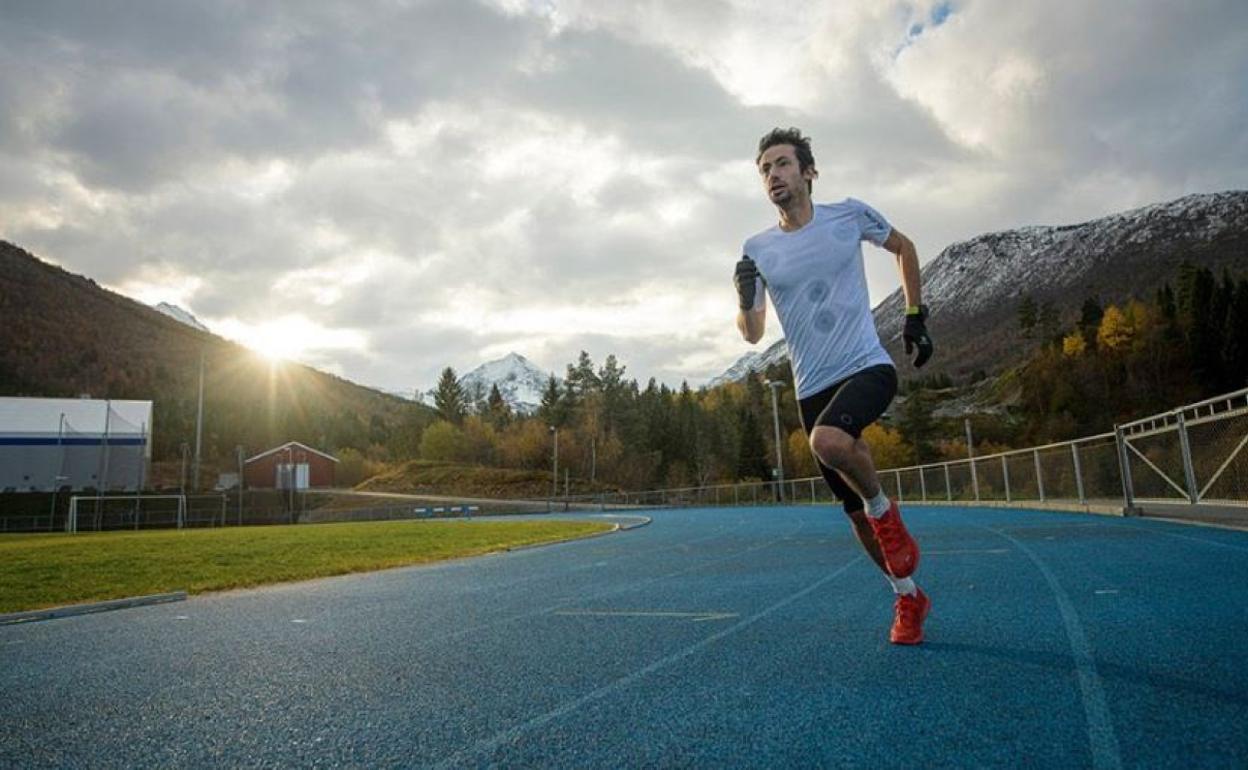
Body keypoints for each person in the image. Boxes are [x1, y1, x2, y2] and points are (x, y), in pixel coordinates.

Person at [734, 127, 935, 645]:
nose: (773, 175)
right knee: (853, 518)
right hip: (811, 388)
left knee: (828, 442)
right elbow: (754, 335)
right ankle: (907, 595)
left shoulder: (848, 215)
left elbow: (905, 247)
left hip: (866, 364)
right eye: (764, 169)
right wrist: (742, 297)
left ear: (807, 172)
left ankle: (886, 514)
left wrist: (915, 315)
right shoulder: (757, 249)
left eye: (781, 164)